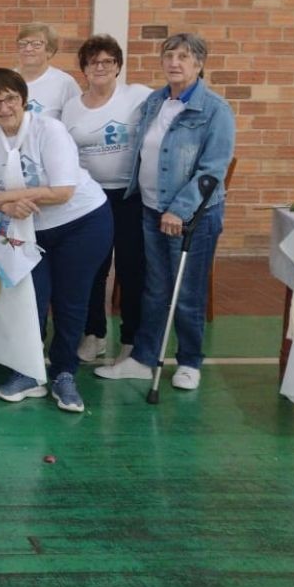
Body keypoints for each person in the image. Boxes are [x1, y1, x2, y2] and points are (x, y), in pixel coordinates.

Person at [95, 33, 235, 391]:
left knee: (186, 292)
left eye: (184, 57)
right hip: (150, 208)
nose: (175, 63)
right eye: (169, 55)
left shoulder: (215, 110)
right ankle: (143, 358)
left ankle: (190, 361)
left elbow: (212, 170)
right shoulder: (155, 101)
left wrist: (180, 210)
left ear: (199, 64)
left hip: (191, 218)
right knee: (154, 289)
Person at [0, 68, 112, 413]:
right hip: (29, 228)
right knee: (30, 298)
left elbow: (63, 191)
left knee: (70, 301)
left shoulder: (49, 129)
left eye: (10, 98)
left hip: (82, 222)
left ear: (24, 100)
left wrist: (6, 196)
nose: (4, 107)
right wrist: (8, 201)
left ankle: (64, 373)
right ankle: (29, 372)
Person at [61, 34, 151, 363]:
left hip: (130, 196)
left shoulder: (138, 96)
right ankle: (93, 333)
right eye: (93, 62)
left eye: (107, 62)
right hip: (90, 200)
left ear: (118, 67)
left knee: (131, 269)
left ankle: (131, 338)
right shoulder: (72, 107)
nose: (100, 67)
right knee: (92, 269)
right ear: (83, 68)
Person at [15, 22, 81, 121]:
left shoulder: (64, 83)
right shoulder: (4, 80)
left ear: (49, 51)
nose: (28, 49)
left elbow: (78, 120)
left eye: (36, 44)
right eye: (23, 43)